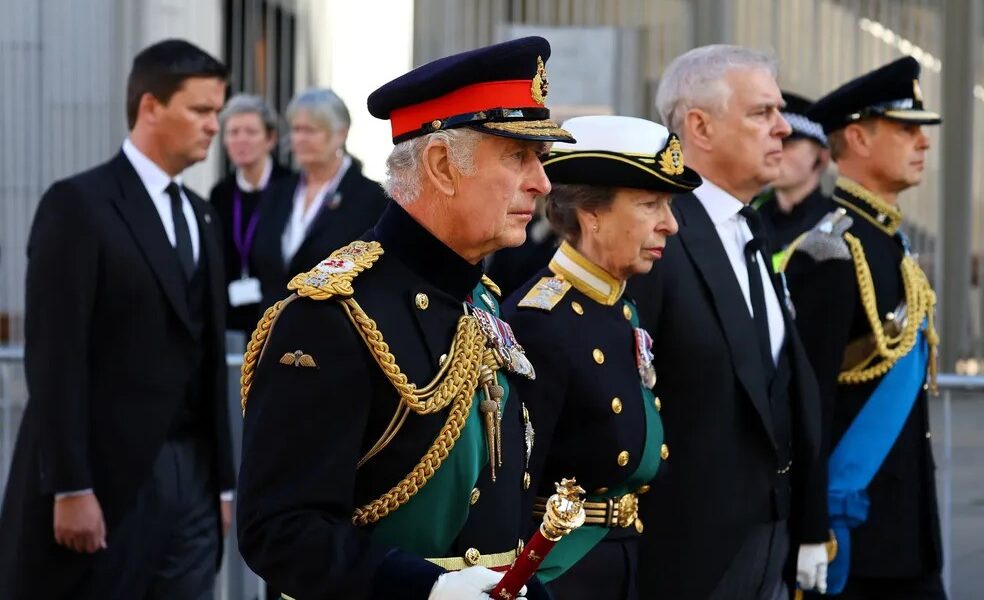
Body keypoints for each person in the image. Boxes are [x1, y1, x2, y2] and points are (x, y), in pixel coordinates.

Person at [236, 36, 575, 600]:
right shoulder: (332, 315)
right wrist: (426, 588)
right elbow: (280, 529)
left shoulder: (479, 299)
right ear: (442, 166)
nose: (541, 181)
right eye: (518, 156)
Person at [0, 39, 236, 599]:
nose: (214, 126)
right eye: (200, 110)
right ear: (150, 107)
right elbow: (54, 357)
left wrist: (223, 487)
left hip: (194, 482)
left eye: (217, 112)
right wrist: (70, 486)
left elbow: (205, 356)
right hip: (107, 480)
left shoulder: (203, 215)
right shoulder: (78, 205)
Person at [625, 45, 829, 600]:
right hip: (685, 556)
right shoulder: (657, 234)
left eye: (779, 111)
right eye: (763, 112)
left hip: (771, 540)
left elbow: (784, 385)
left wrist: (809, 523)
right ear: (700, 127)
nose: (783, 128)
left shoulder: (750, 227)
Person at [502, 115, 701, 599]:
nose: (671, 224)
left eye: (669, 206)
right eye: (650, 204)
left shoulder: (620, 304)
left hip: (622, 557)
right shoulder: (540, 319)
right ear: (591, 213)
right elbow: (513, 486)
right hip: (562, 569)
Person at [783, 56, 945, 600]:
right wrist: (810, 529)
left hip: (906, 536)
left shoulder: (889, 244)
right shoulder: (831, 252)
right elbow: (808, 404)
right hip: (855, 541)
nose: (923, 142)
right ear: (857, 137)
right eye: (905, 129)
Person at [250, 88, 389, 307]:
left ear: (341, 134)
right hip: (274, 322)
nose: (300, 138)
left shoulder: (371, 198)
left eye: (311, 130)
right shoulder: (277, 192)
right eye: (296, 129)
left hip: (336, 322)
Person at [209, 93, 291, 332]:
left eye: (251, 132)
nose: (241, 140)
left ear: (270, 138)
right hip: (231, 315)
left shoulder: (289, 187)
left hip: (278, 314)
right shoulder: (220, 193)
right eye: (233, 132)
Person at [752, 91, 831, 259]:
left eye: (787, 144)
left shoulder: (831, 223)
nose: (774, 151)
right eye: (769, 140)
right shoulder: (749, 214)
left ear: (822, 157)